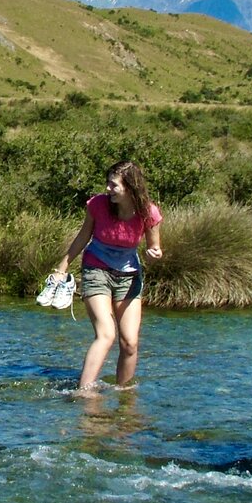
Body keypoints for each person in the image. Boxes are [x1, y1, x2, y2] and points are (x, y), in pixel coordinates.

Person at [42, 160, 163, 390]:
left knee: (129, 342)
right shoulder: (98, 205)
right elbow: (82, 237)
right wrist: (61, 269)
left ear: (130, 187)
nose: (108, 188)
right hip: (96, 270)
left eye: (113, 184)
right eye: (108, 183)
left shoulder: (149, 212)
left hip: (128, 277)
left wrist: (153, 252)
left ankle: (124, 394)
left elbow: (154, 247)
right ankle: (84, 391)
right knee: (106, 334)